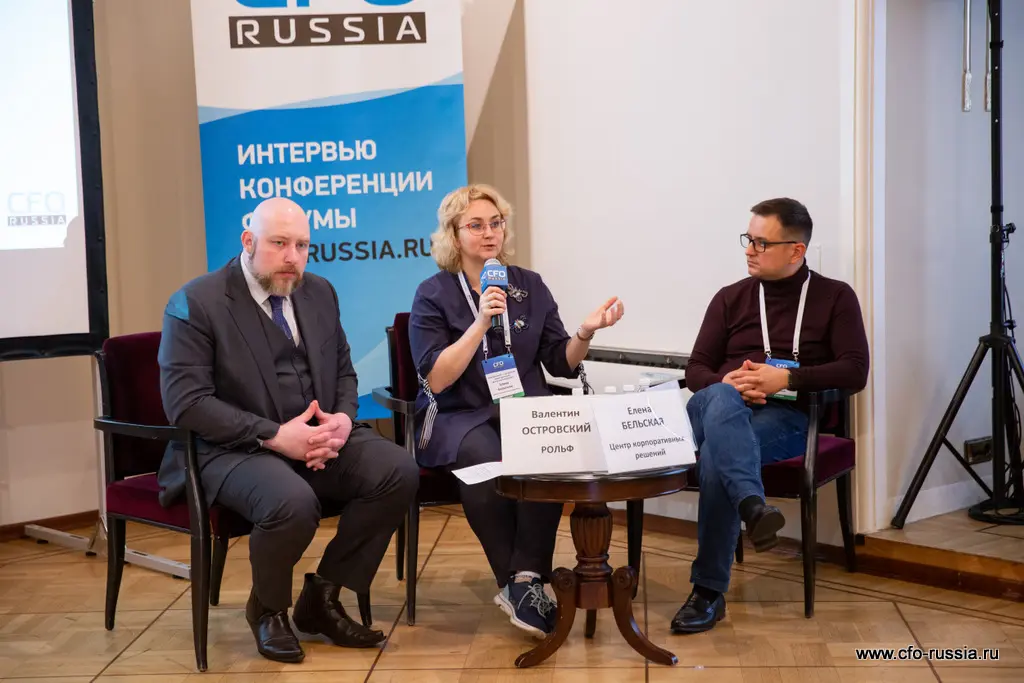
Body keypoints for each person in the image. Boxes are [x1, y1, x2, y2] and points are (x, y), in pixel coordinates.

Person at [156, 197, 419, 664]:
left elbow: (343, 371)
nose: (292, 257)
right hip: (232, 448)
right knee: (292, 502)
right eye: (279, 243)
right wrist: (276, 436)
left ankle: (322, 596)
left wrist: (341, 419)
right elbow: (187, 404)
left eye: (302, 245)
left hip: (314, 435)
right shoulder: (196, 302)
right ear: (248, 241)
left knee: (397, 470)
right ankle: (267, 608)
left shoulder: (319, 292)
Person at [408, 184, 624, 638]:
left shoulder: (529, 284)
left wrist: (585, 332)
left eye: (496, 223)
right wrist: (481, 321)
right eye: (476, 225)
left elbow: (558, 362)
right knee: (486, 460)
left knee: (548, 455)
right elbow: (437, 378)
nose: (489, 233)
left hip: (524, 412)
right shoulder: (432, 294)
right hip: (458, 416)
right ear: (453, 234)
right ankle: (519, 584)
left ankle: (524, 580)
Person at [670, 197, 869, 634]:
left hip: (785, 417)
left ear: (796, 250)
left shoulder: (835, 297)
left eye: (761, 242)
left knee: (717, 458)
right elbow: (696, 368)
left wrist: (787, 379)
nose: (749, 250)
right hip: (716, 406)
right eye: (748, 239)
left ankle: (708, 591)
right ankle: (751, 507)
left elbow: (856, 370)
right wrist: (726, 382)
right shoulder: (730, 298)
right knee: (722, 401)